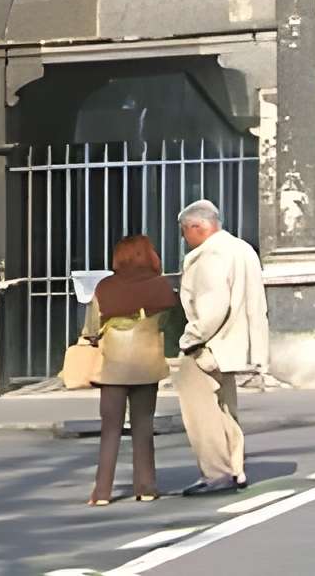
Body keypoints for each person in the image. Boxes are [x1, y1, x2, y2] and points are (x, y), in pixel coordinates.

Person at [172, 199, 269, 496]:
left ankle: (216, 472)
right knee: (226, 409)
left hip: (210, 344)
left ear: (197, 227)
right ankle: (234, 468)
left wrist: (190, 338)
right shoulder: (242, 248)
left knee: (202, 412)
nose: (184, 239)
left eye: (184, 232)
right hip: (235, 343)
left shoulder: (211, 255)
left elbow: (212, 306)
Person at [78, 232, 178, 506]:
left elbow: (91, 330)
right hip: (147, 365)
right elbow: (170, 324)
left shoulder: (105, 287)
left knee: (110, 428)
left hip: (113, 367)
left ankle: (102, 492)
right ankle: (146, 487)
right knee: (143, 426)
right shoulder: (161, 286)